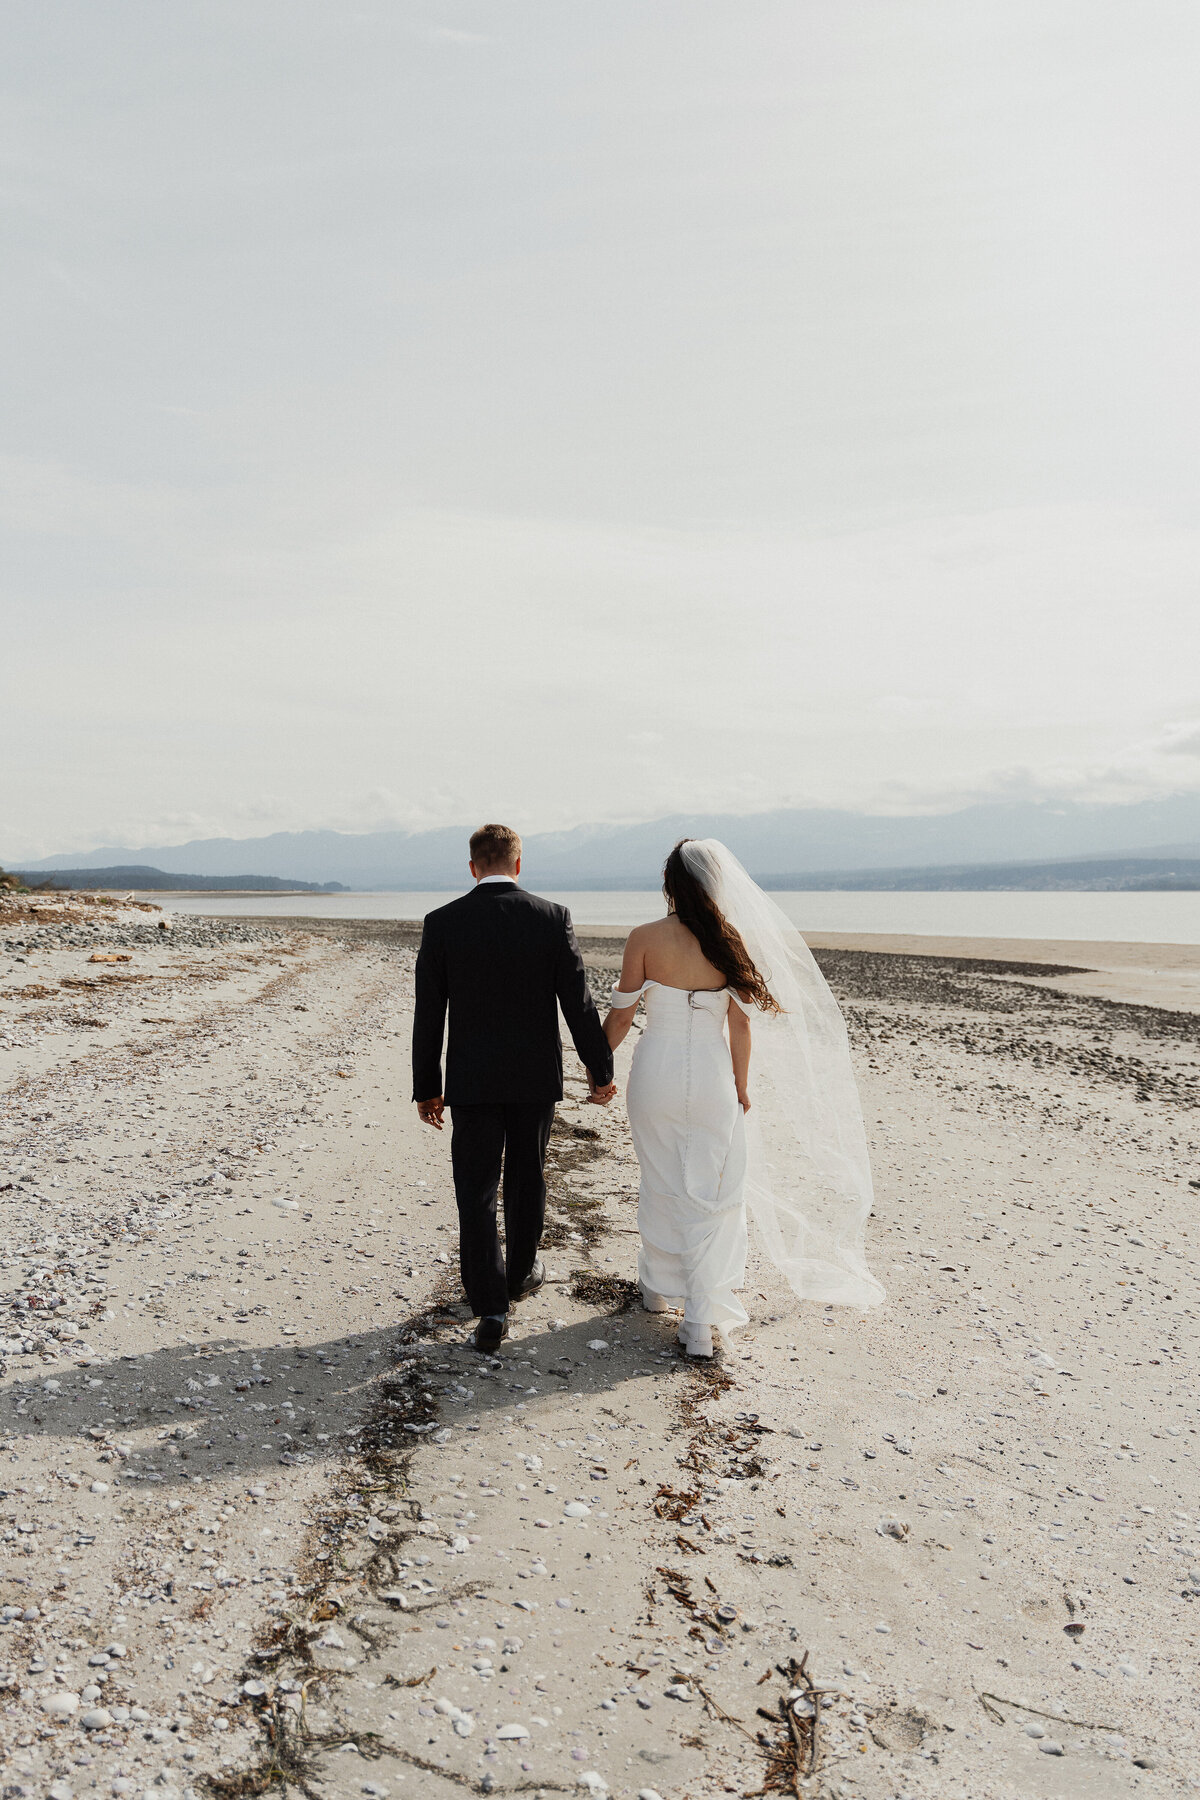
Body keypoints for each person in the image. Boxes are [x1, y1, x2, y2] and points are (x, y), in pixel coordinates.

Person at [604, 838, 884, 1358]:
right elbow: (740, 1025)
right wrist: (740, 1085)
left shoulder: (644, 937)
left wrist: (597, 1068)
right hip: (711, 1077)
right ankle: (700, 1322)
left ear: (670, 884)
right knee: (709, 1187)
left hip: (657, 1075)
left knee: (660, 1174)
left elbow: (622, 1014)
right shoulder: (729, 941)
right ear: (716, 883)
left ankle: (659, 1289)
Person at [412, 823, 616, 1351]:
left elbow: (429, 1014)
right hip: (533, 1079)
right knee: (527, 1177)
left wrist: (427, 1087)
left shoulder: (442, 922)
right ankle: (520, 1273)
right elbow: (579, 1002)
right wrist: (601, 1068)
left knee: (475, 1191)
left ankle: (490, 1307)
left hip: (472, 1080)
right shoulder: (552, 917)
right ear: (519, 865)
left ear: (473, 867)